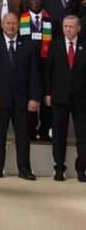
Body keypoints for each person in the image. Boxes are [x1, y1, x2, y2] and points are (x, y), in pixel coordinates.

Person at [0, 12, 40, 180]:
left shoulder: (29, 46)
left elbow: (34, 74)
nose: (11, 26)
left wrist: (34, 97)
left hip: (23, 101)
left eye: (14, 23)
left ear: (19, 25)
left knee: (23, 137)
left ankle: (24, 169)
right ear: (1, 25)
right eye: (8, 23)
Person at [43, 14, 86, 182]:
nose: (68, 29)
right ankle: (59, 168)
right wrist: (47, 93)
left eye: (71, 26)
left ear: (79, 28)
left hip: (81, 99)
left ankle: (82, 169)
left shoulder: (84, 45)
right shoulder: (55, 44)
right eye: (65, 26)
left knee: (83, 136)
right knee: (59, 135)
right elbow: (48, 70)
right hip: (59, 97)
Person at [21, 0, 52, 142]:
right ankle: (31, 130)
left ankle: (44, 130)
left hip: (46, 64)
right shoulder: (21, 19)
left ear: (43, 2)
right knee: (30, 98)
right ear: (28, 2)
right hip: (27, 66)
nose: (36, 2)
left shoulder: (50, 19)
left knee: (47, 99)